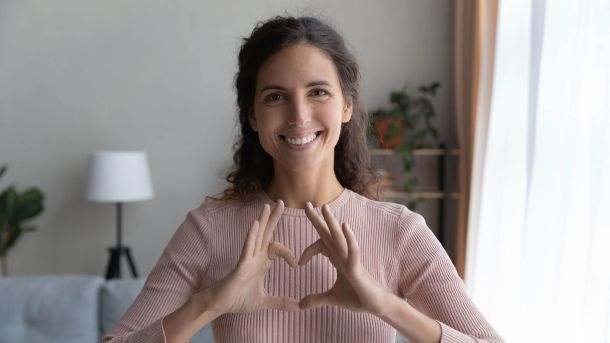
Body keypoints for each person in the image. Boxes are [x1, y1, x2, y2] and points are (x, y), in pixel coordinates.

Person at [101, 16, 504, 343]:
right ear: (253, 116)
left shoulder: (398, 231)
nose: (299, 116)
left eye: (318, 93)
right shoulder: (210, 228)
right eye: (276, 96)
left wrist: (386, 306)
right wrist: (209, 304)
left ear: (347, 105)